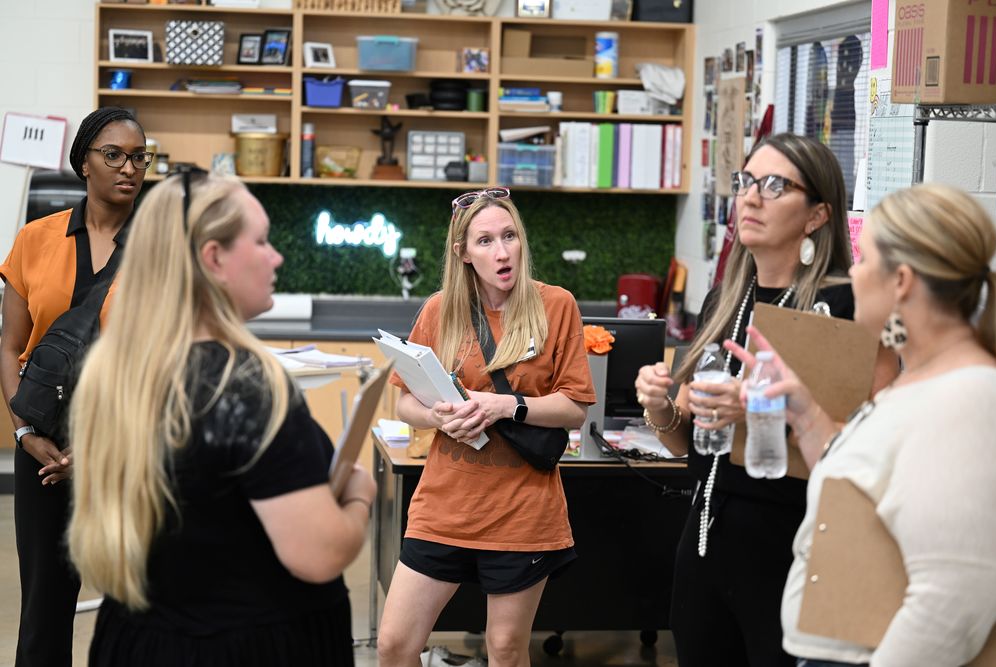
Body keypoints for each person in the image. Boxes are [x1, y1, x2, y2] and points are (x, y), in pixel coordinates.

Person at [66, 171, 376, 666]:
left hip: (137, 641)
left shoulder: (117, 371)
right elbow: (319, 553)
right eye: (261, 241)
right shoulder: (250, 387)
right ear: (214, 259)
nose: (276, 256)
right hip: (248, 646)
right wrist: (361, 494)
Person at [635, 133, 895, 667]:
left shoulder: (845, 303)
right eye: (746, 181)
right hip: (705, 541)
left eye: (775, 185)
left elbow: (881, 448)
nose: (750, 198)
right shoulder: (726, 301)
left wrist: (764, 411)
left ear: (818, 215)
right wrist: (661, 409)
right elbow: (691, 442)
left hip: (793, 548)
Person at [722, 183, 996, 666]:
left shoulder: (967, 397)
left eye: (864, 259)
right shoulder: (919, 381)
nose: (853, 273)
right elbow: (865, 497)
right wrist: (806, 413)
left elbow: (953, 598)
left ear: (903, 282)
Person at [377, 187, 595, 667]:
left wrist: (504, 406)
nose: (502, 252)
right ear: (463, 253)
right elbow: (405, 403)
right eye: (485, 241)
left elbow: (575, 407)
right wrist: (437, 414)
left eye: (509, 236)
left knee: (505, 650)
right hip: (443, 508)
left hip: (522, 513)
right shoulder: (439, 310)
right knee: (394, 645)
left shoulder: (556, 305)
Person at [0, 106, 149, 667]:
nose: (128, 167)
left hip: (128, 452)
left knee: (137, 605)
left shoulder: (163, 249)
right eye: (113, 155)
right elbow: (9, 346)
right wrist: (24, 432)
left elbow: (168, 363)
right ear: (83, 163)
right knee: (44, 606)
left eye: (139, 156)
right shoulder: (35, 240)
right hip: (42, 448)